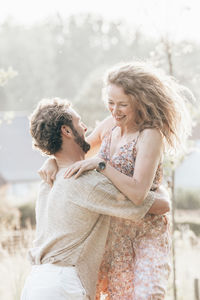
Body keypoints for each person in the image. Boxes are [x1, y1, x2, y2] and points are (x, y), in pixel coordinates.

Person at [21, 98, 170, 300]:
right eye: (79, 122)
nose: (85, 128)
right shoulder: (88, 182)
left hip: (35, 283)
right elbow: (160, 206)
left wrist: (51, 159)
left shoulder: (49, 178)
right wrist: (157, 185)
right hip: (63, 285)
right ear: (66, 131)